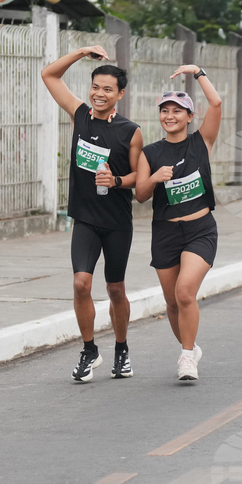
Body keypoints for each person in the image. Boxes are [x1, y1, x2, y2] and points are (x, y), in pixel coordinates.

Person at [41, 47, 144, 383]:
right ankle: (89, 350)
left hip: (117, 222)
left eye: (108, 89)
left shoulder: (130, 131)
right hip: (85, 218)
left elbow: (139, 178)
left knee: (115, 290)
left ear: (120, 95)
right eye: (95, 87)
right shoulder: (80, 115)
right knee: (80, 283)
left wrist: (116, 181)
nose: (100, 94)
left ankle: (122, 349)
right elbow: (49, 75)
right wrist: (82, 52)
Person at [136, 64, 222, 381]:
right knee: (172, 303)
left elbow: (216, 103)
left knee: (185, 292)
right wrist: (155, 178)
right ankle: (191, 346)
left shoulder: (202, 142)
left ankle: (186, 358)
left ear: (189, 116)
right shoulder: (150, 153)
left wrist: (198, 72)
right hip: (165, 232)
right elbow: (141, 195)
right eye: (165, 110)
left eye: (177, 111)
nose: (169, 116)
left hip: (200, 230)